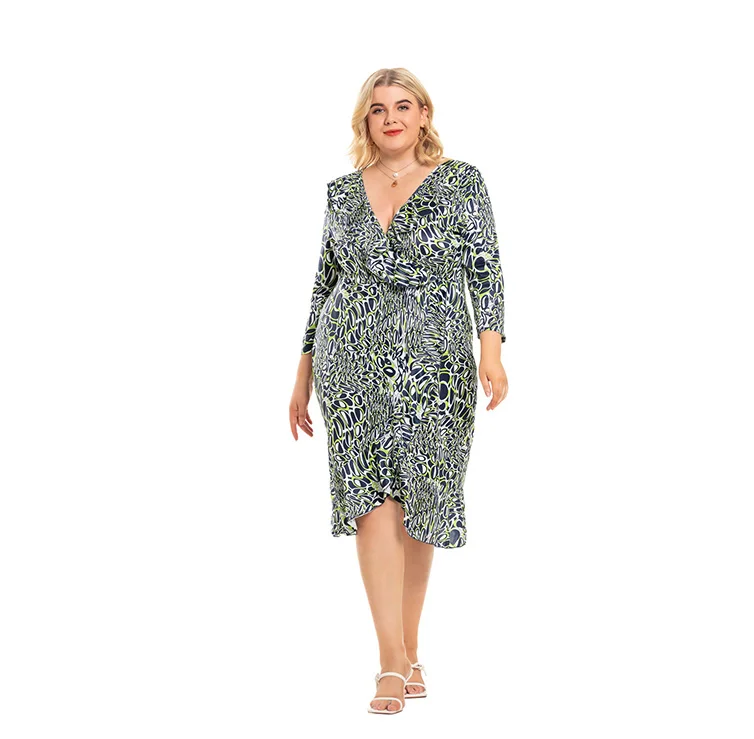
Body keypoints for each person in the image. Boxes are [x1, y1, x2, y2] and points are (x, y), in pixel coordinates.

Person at [289, 67, 509, 714]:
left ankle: (408, 648)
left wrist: (491, 350)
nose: (391, 118)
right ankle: (390, 660)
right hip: (349, 359)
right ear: (366, 119)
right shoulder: (340, 193)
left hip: (435, 358)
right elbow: (324, 283)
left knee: (423, 502)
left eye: (403, 106)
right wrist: (301, 372)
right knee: (371, 501)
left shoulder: (462, 180)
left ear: (423, 114)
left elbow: (486, 268)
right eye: (379, 108)